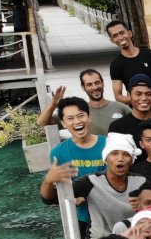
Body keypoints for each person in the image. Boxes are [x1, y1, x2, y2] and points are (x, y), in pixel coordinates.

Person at [39, 96, 105, 229]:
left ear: (89, 117)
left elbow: (117, 184)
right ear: (63, 123)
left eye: (81, 116)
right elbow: (49, 199)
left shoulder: (109, 146)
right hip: (81, 220)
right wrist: (48, 181)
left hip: (111, 215)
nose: (77, 121)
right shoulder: (58, 153)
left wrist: (86, 196)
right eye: (70, 118)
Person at [67, 131, 144, 236]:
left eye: (126, 154)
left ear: (131, 160)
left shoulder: (141, 182)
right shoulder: (90, 182)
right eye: (114, 153)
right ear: (106, 158)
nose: (120, 158)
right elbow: (51, 198)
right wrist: (48, 182)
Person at [38, 70, 129, 135]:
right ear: (83, 87)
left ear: (103, 83)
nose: (94, 87)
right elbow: (42, 122)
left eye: (97, 82)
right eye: (89, 84)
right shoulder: (78, 112)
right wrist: (53, 104)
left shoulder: (120, 108)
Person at [106, 19, 151, 113]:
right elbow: (118, 96)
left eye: (122, 33)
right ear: (112, 40)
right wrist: (137, 99)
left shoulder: (150, 54)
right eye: (115, 36)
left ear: (129, 33)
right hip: (137, 113)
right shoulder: (116, 65)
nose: (120, 37)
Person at [107, 74, 151, 150]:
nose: (144, 98)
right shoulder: (118, 127)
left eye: (148, 94)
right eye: (138, 94)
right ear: (129, 95)